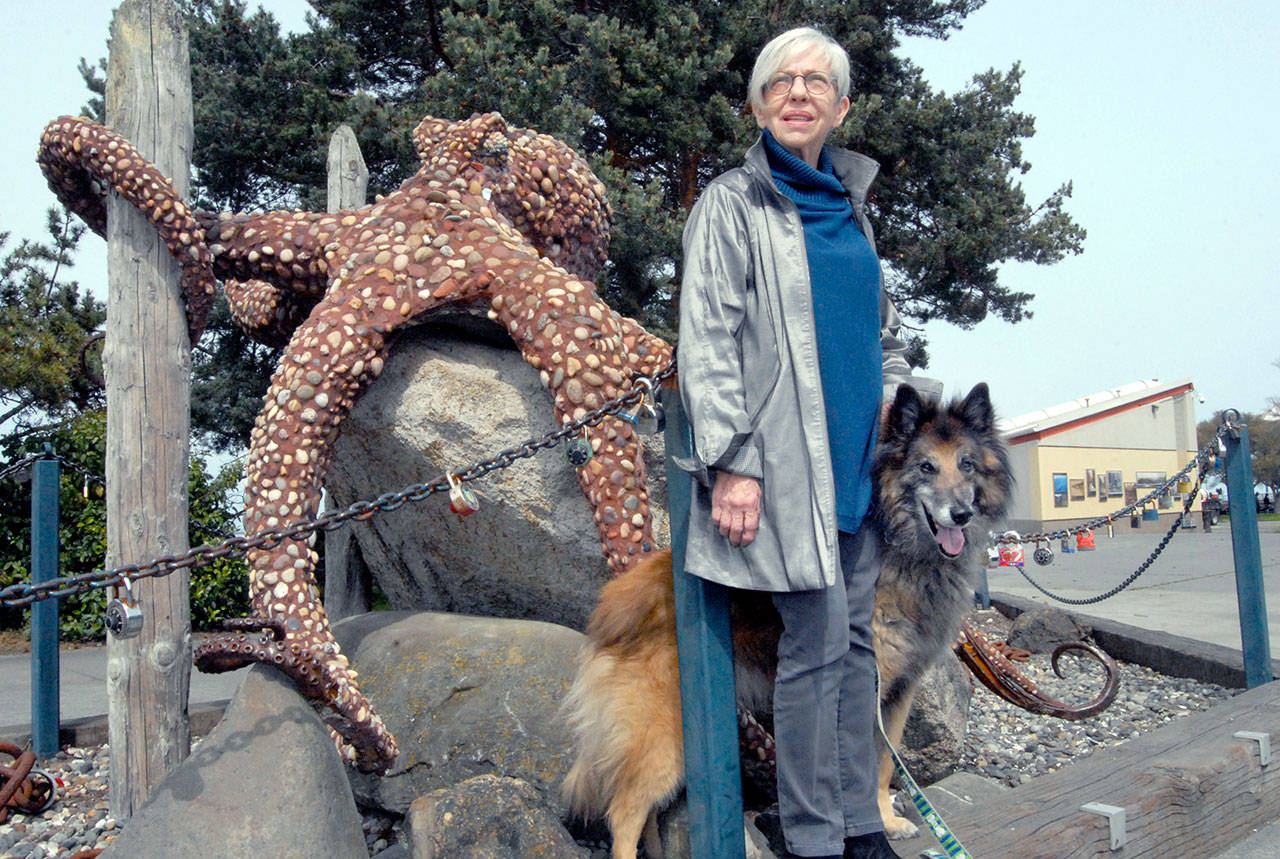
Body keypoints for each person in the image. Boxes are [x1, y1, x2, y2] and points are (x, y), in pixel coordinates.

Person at [676, 26, 940, 859]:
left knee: (854, 643)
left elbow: (883, 338)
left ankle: (859, 821)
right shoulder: (731, 204)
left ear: (842, 106)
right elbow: (707, 343)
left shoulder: (853, 209)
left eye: (816, 82)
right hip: (783, 472)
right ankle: (815, 836)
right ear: (757, 104)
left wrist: (903, 406)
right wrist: (732, 464)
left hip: (863, 471)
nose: (798, 93)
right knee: (819, 646)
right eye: (780, 81)